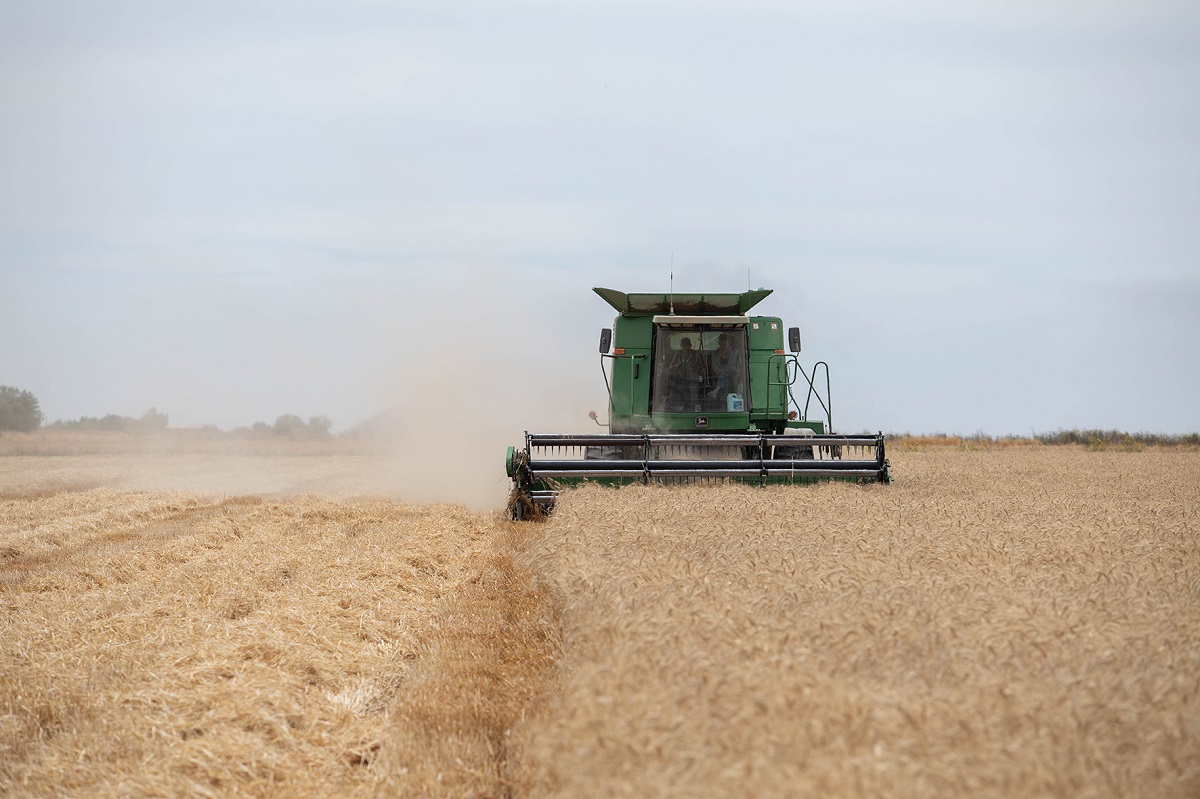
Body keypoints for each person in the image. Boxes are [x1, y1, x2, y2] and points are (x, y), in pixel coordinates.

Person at [667, 336, 704, 409]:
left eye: (687, 346)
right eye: (683, 346)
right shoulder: (677, 354)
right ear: (681, 346)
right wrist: (676, 366)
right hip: (680, 378)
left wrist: (695, 368)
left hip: (693, 379)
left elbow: (702, 367)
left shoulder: (695, 354)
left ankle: (693, 407)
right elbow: (671, 366)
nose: (685, 348)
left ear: (690, 346)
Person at [709, 332, 743, 400]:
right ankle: (724, 403)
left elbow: (739, 368)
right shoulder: (715, 354)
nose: (724, 342)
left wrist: (732, 370)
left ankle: (717, 389)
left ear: (730, 342)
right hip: (718, 376)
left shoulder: (736, 353)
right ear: (719, 342)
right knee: (726, 381)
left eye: (726, 340)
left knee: (728, 370)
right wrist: (725, 370)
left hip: (734, 376)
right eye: (722, 340)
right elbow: (715, 368)